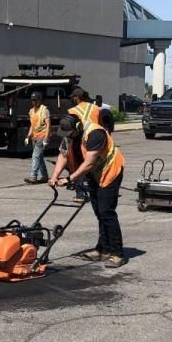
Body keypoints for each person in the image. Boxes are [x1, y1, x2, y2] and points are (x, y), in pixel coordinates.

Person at [49, 114, 125, 267]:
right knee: (99, 212)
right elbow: (63, 155)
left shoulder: (95, 133)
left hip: (110, 171)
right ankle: (103, 249)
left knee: (107, 213)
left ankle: (117, 253)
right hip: (94, 174)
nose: (67, 137)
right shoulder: (70, 134)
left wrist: (70, 178)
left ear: (77, 128)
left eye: (69, 134)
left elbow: (89, 163)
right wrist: (54, 176)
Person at [67, 88, 100, 203]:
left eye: (73, 97)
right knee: (92, 166)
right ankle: (96, 192)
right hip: (95, 138)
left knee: (79, 166)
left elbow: (70, 128)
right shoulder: (95, 108)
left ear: (77, 97)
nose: (72, 99)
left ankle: (80, 195)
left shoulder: (72, 110)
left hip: (80, 140)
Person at [23, 90, 50, 184]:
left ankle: (33, 176)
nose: (33, 102)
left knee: (35, 156)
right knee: (40, 157)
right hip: (34, 137)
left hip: (42, 137)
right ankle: (45, 176)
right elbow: (32, 125)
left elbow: (48, 125)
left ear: (39, 100)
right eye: (32, 100)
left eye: (35, 100)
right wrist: (28, 136)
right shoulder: (31, 111)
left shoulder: (45, 110)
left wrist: (46, 138)